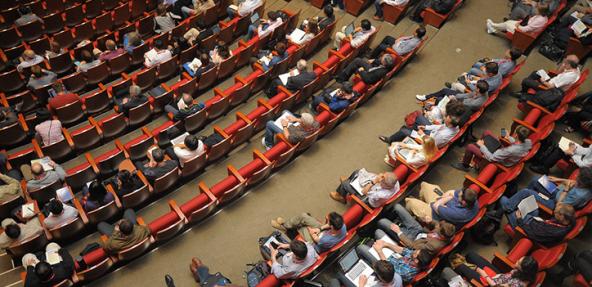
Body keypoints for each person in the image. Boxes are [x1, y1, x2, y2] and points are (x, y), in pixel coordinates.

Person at [356, 231, 434, 283]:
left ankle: (362, 259)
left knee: (361, 247)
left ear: (416, 261)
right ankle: (371, 243)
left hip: (384, 264)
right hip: (391, 256)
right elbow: (402, 250)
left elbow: (387, 269)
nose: (414, 251)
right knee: (378, 232)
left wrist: (379, 250)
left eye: (415, 252)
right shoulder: (414, 257)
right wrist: (385, 244)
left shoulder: (407, 272)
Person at [378, 204, 456, 255]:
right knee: (397, 207)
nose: (438, 228)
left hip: (411, 239)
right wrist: (429, 221)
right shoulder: (449, 230)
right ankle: (393, 219)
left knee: (382, 221)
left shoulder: (433, 246)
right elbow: (437, 225)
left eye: (439, 230)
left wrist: (399, 232)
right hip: (419, 230)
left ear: (442, 236)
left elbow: (412, 246)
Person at [502, 167, 592, 211]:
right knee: (536, 179)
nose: (576, 177)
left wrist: (566, 190)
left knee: (526, 192)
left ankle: (508, 207)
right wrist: (558, 179)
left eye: (578, 177)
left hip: (554, 203)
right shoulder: (585, 183)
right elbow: (572, 181)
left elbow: (559, 207)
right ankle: (521, 202)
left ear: (583, 181)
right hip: (558, 192)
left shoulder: (580, 196)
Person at [451, 125, 532, 171]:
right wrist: (508, 137)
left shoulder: (510, 150)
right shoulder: (528, 142)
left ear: (516, 135)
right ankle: (473, 155)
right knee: (487, 132)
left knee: (470, 147)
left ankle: (465, 165)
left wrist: (482, 146)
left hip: (497, 157)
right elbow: (517, 143)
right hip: (503, 152)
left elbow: (492, 158)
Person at [405, 182, 479, 229]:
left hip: (435, 216)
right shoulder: (472, 198)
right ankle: (422, 203)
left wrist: (449, 197)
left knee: (410, 202)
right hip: (442, 203)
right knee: (424, 185)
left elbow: (435, 206)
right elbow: (451, 192)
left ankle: (410, 215)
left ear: (463, 202)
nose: (459, 193)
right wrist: (444, 200)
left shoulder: (459, 214)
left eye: (460, 195)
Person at [504, 202, 575, 246]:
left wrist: (519, 219)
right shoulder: (567, 220)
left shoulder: (555, 232)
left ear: (561, 216)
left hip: (525, 228)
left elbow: (532, 234)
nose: (554, 214)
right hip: (536, 222)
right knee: (529, 203)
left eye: (556, 213)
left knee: (504, 201)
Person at [271, 212, 346, 252]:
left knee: (302, 226)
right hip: (322, 232)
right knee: (303, 216)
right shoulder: (342, 225)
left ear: (332, 226)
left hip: (314, 244)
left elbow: (315, 238)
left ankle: (285, 227)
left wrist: (311, 230)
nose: (327, 221)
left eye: (329, 222)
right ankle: (287, 225)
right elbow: (327, 226)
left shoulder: (325, 240)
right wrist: (320, 229)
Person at [453, 252, 539, 287]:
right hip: (499, 276)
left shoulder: (517, 285)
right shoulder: (527, 273)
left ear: (523, 270)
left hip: (491, 283)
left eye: (518, 263)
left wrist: (484, 274)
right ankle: (465, 261)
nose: (516, 262)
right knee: (471, 255)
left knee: (461, 267)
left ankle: (456, 271)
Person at [380, 114, 460, 148]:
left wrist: (422, 135)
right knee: (419, 117)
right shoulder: (454, 126)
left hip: (427, 142)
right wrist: (425, 127)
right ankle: (409, 132)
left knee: (403, 131)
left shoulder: (442, 136)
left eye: (447, 118)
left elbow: (431, 144)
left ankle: (390, 140)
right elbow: (438, 126)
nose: (445, 118)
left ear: (449, 123)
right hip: (432, 134)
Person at [330, 169, 399, 208]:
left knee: (345, 184)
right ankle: (350, 181)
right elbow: (377, 178)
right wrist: (378, 177)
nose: (381, 178)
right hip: (374, 191)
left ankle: (341, 196)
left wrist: (374, 182)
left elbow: (364, 191)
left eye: (382, 179)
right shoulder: (395, 183)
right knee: (357, 172)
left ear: (387, 185)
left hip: (366, 200)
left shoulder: (380, 195)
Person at [415, 80, 490, 113]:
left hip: (462, 106)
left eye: (476, 86)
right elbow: (469, 94)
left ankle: (426, 104)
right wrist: (456, 95)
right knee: (445, 90)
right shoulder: (483, 91)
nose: (475, 86)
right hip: (463, 99)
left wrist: (454, 99)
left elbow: (463, 104)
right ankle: (426, 97)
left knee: (440, 99)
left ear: (478, 89)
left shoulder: (475, 103)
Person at [330, 260, 402, 287]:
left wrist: (361, 284)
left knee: (338, 275)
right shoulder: (398, 277)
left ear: (381, 278)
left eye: (376, 273)